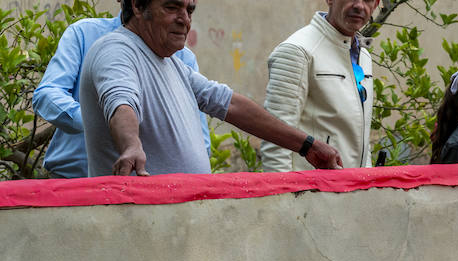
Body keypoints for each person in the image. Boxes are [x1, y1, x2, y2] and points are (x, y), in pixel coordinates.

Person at [80, 0, 341, 176]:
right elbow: (120, 101)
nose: (184, 19)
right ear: (137, 5)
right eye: (172, 7)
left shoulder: (172, 65)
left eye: (190, 10)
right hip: (139, 228)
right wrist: (131, 145)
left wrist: (308, 146)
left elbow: (230, 104)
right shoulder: (116, 49)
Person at [33, 13, 207, 178]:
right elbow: (47, 94)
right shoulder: (85, 33)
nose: (183, 18)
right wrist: (95, 121)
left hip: (148, 193)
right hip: (71, 182)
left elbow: (201, 138)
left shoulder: (182, 57)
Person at [260, 0, 379, 172]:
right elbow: (276, 142)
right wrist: (284, 197)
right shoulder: (297, 51)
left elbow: (359, 138)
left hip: (354, 193)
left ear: (376, 4)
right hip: (311, 194)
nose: (359, 5)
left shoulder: (363, 56)